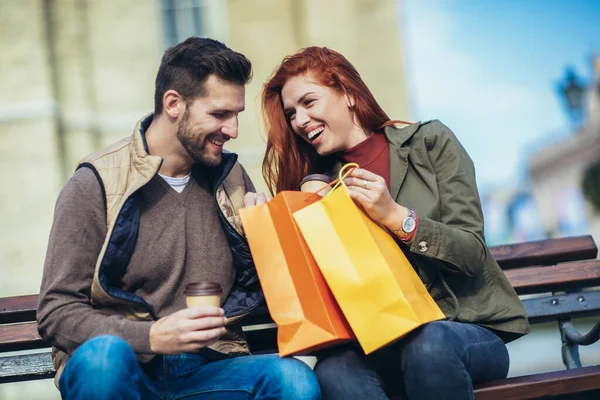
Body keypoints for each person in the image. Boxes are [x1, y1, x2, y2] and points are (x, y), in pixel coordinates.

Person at [37, 37, 320, 400]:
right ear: (173, 104)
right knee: (103, 360)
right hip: (127, 369)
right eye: (219, 115)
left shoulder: (231, 179)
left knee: (293, 382)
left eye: (236, 116)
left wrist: (266, 241)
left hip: (210, 368)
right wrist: (151, 337)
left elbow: (266, 295)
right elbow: (56, 311)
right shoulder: (96, 183)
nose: (232, 130)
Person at [261, 46, 529, 400]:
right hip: (379, 343)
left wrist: (396, 217)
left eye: (309, 102)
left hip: (463, 331)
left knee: (429, 344)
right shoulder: (319, 187)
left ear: (348, 94)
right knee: (333, 370)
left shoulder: (430, 144)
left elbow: (471, 253)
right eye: (292, 113)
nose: (299, 121)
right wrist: (295, 212)